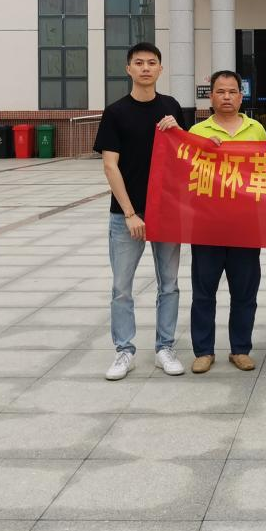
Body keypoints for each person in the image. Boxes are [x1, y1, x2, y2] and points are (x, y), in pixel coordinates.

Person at [93, 42, 185, 381]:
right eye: (139, 63)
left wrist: (178, 130)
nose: (146, 68)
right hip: (126, 216)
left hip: (167, 212)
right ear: (128, 69)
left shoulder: (172, 107)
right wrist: (131, 213)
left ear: (161, 69)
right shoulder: (116, 112)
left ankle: (165, 348)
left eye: (152, 62)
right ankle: (124, 351)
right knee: (122, 287)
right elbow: (110, 165)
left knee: (169, 284)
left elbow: (186, 157)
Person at [187, 70, 266, 374]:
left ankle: (240, 349)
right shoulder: (197, 131)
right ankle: (203, 351)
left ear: (241, 96)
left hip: (246, 227)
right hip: (207, 226)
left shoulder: (256, 129)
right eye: (220, 92)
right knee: (203, 292)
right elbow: (183, 173)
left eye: (232, 91)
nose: (227, 97)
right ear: (211, 96)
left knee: (245, 292)